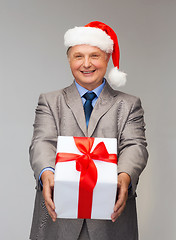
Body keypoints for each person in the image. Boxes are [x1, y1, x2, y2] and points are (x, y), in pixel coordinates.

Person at [29, 21, 148, 240]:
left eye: (94, 55)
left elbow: (135, 146)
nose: (86, 64)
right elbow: (42, 142)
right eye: (78, 56)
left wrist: (124, 177)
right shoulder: (50, 101)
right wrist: (46, 173)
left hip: (111, 219)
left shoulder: (129, 105)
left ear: (107, 59)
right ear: (69, 59)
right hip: (58, 218)